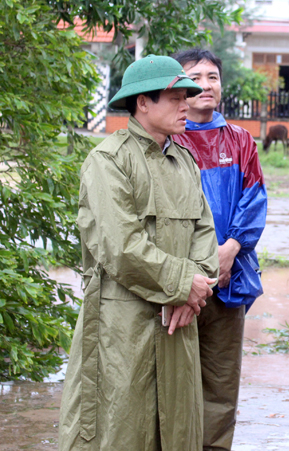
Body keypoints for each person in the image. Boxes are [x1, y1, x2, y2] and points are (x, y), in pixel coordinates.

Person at [58, 55, 220, 451]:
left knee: (177, 430)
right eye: (174, 97)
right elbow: (120, 245)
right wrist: (184, 284)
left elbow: (205, 232)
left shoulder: (184, 160)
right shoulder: (108, 160)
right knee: (121, 427)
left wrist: (194, 289)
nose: (186, 105)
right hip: (122, 324)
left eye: (187, 96)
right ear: (142, 102)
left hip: (177, 324)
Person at [172, 48, 268, 451]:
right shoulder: (169, 141)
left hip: (230, 279)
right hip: (179, 282)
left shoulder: (241, 140)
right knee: (174, 381)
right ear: (178, 86)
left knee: (221, 384)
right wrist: (194, 266)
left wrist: (230, 249)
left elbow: (254, 198)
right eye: (196, 76)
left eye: (213, 76)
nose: (206, 85)